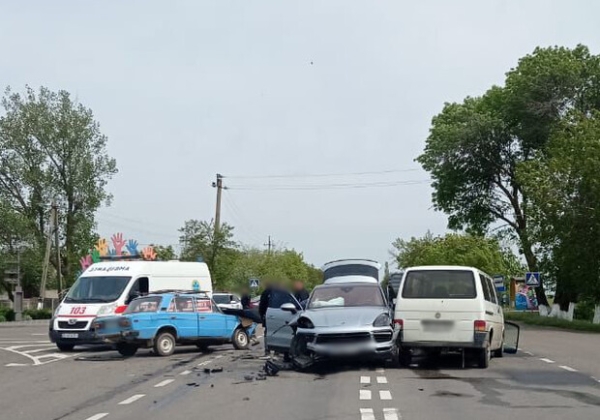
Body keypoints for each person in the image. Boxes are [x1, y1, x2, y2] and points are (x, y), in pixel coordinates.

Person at [258, 280, 273, 357]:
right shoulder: (280, 293)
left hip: (268, 315)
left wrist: (262, 315)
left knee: (267, 332)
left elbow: (262, 306)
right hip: (281, 315)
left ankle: (267, 350)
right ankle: (280, 351)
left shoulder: (265, 292)